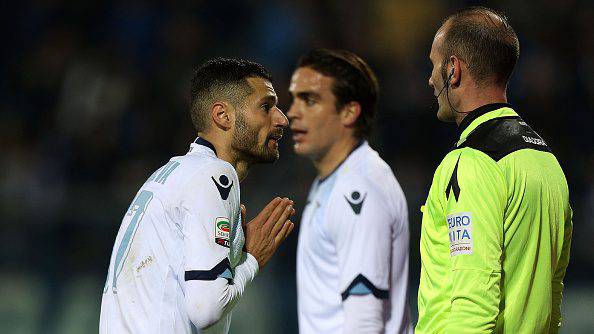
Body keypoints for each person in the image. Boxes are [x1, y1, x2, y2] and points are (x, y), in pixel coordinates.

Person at [99, 58, 295, 333]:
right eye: (266, 106)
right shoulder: (213, 175)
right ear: (223, 116)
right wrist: (252, 260)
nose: (282, 119)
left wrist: (235, 258)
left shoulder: (172, 174)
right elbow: (206, 309)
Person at [417, 6, 573, 333]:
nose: (430, 79)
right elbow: (553, 293)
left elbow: (474, 299)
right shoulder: (546, 161)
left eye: (433, 65)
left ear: (453, 69)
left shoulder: (470, 162)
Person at [288, 49, 412, 333]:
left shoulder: (358, 189)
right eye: (294, 98)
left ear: (349, 112)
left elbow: (365, 322)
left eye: (309, 100)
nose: (293, 112)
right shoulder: (334, 180)